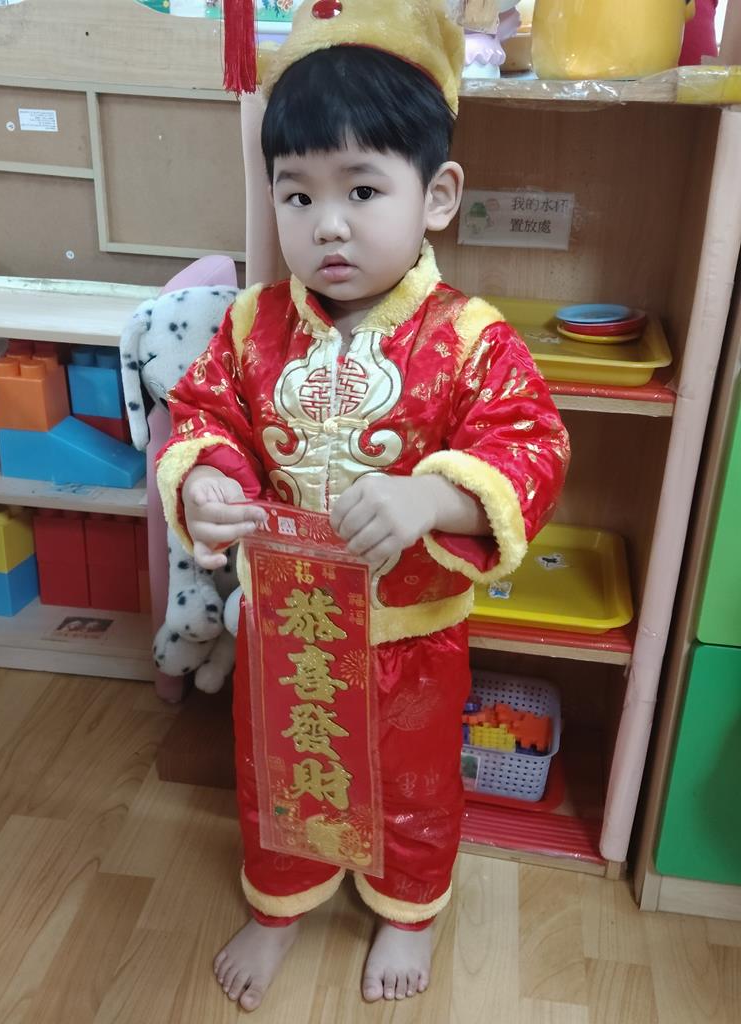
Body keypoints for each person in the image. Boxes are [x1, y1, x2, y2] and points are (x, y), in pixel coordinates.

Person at [157, 0, 569, 1010]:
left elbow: (532, 448)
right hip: (289, 622)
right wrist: (205, 480)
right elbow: (204, 415)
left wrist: (436, 494)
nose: (327, 223)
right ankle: (278, 905)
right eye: (296, 193)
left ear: (438, 196)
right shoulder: (250, 326)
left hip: (411, 634)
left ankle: (406, 910)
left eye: (363, 188)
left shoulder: (471, 338)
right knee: (278, 768)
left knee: (416, 783)